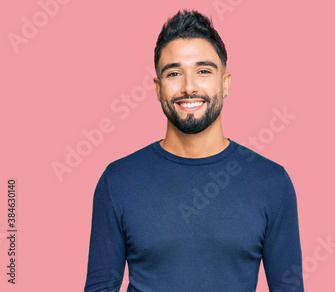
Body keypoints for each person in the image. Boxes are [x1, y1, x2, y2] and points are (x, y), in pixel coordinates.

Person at [84, 9, 303, 291]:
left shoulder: (273, 182)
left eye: (203, 71)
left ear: (225, 83)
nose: (189, 87)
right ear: (158, 88)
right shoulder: (117, 181)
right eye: (174, 73)